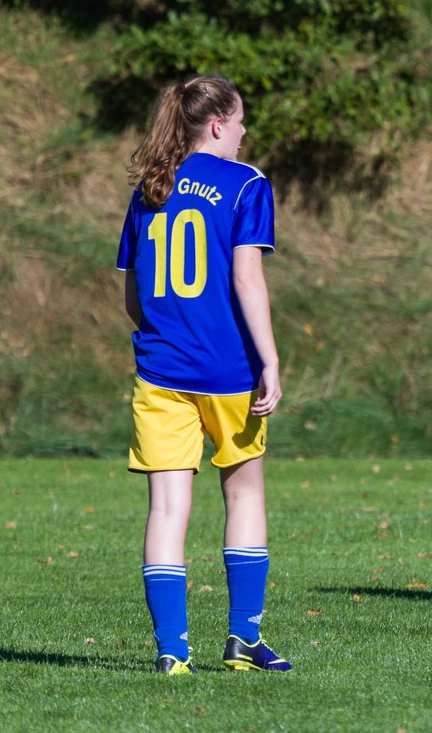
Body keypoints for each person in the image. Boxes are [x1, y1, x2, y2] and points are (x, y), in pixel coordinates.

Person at [116, 74, 291, 673]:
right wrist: (268, 358)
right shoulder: (246, 184)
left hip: (159, 372)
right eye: (240, 121)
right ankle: (243, 640)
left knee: (167, 510)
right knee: (243, 492)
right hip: (228, 372)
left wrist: (161, 333)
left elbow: (134, 295)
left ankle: (172, 652)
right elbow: (246, 279)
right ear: (218, 124)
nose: (244, 133)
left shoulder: (150, 188)